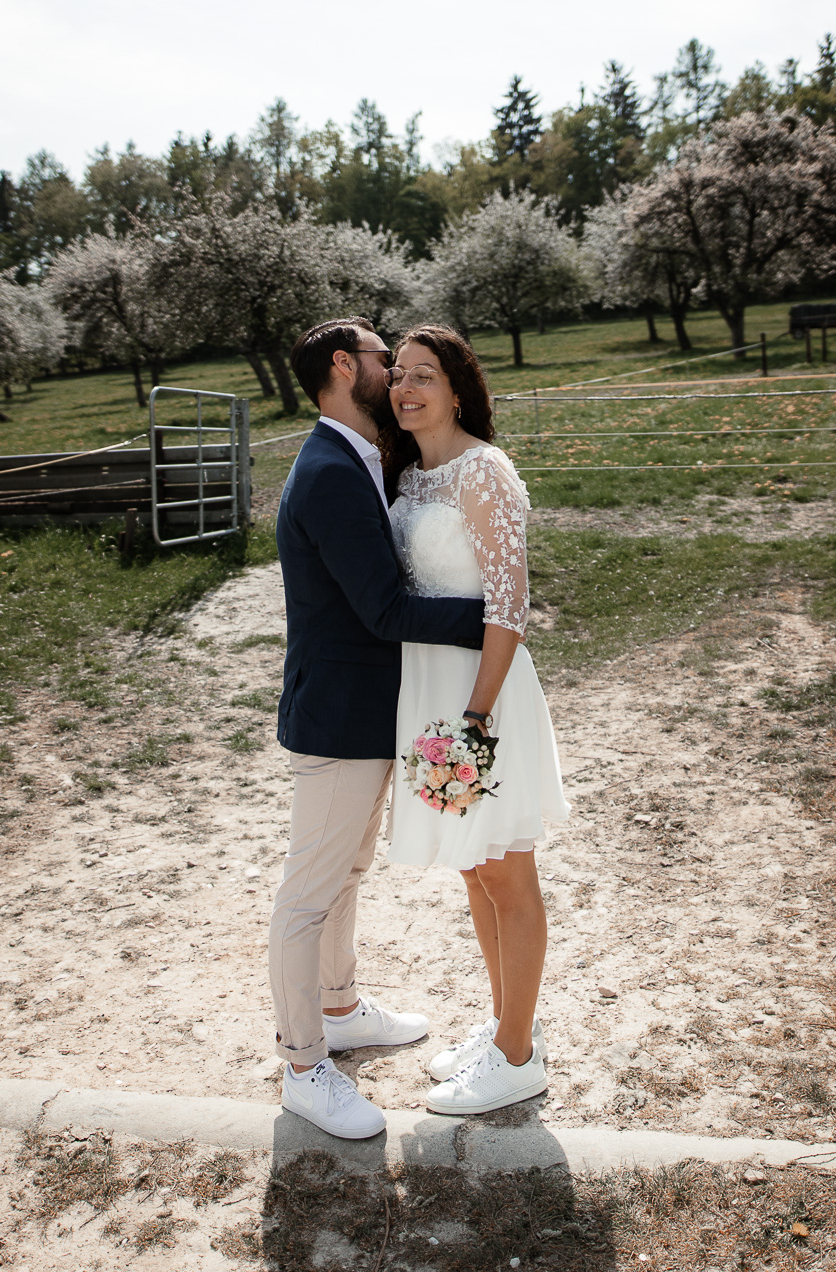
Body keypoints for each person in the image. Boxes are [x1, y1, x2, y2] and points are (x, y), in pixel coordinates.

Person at [269, 317, 489, 1140]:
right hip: (335, 717)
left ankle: (341, 1007)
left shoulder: (358, 457)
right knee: (307, 894)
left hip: (366, 713)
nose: (393, 372)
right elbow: (386, 608)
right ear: (340, 365)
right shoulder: (327, 471)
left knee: (346, 873)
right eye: (379, 358)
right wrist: (498, 616)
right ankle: (303, 1064)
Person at [379, 324, 570, 1116]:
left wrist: (476, 716)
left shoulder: (483, 471)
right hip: (429, 694)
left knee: (507, 871)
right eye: (397, 374)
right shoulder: (411, 479)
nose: (406, 386)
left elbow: (510, 602)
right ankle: (502, 1028)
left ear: (459, 389)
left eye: (424, 373)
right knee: (473, 866)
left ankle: (519, 1055)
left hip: (477, 696)